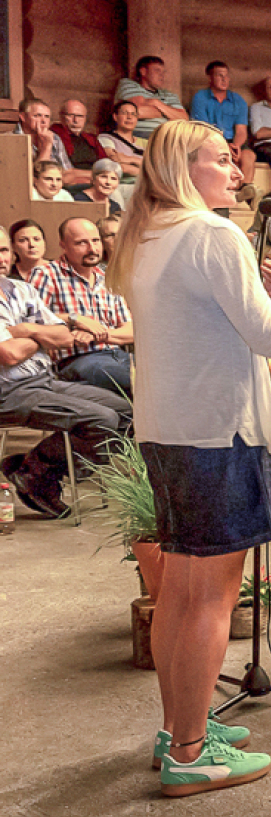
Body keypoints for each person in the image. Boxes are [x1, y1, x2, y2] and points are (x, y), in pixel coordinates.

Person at [112, 120, 271, 794]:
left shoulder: (150, 235)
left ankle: (182, 723)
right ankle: (191, 752)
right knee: (211, 597)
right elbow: (266, 336)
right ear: (185, 167)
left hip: (170, 427)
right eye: (221, 161)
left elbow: (205, 315)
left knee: (179, 589)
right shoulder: (212, 234)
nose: (235, 173)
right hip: (218, 431)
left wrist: (258, 279)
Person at [0, 247, 133, 518]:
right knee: (102, 419)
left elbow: (63, 337)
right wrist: (40, 337)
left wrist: (26, 330)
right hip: (7, 391)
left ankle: (34, 469)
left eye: (3, 250)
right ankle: (37, 473)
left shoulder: (20, 289)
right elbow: (9, 354)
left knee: (128, 414)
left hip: (43, 379)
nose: (0, 257)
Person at [29, 218, 134, 398]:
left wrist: (98, 334)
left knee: (160, 375)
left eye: (95, 241)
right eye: (81, 243)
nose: (92, 249)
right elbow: (30, 321)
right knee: (136, 382)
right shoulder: (46, 274)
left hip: (116, 354)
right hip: (75, 360)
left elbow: (131, 330)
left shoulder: (107, 277)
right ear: (64, 245)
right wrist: (75, 318)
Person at [188, 61, 256, 193]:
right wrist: (224, 146)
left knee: (249, 155)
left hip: (233, 142)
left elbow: (241, 131)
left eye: (226, 76)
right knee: (215, 156)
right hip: (208, 140)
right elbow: (203, 129)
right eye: (220, 75)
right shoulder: (200, 97)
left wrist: (236, 146)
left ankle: (245, 190)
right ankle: (225, 190)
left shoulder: (238, 100)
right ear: (210, 78)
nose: (224, 79)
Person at [116, 56, 187, 141]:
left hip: (165, 137)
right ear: (143, 71)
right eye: (157, 70)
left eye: (163, 72)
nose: (162, 75)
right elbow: (136, 112)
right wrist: (169, 113)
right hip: (138, 135)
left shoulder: (169, 95)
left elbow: (184, 118)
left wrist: (156, 103)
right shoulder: (129, 85)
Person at [98, 101, 147, 174]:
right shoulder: (106, 138)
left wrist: (131, 159)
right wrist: (148, 171)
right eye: (124, 113)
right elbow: (118, 166)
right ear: (115, 117)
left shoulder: (147, 143)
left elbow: (159, 167)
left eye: (133, 114)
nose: (129, 117)